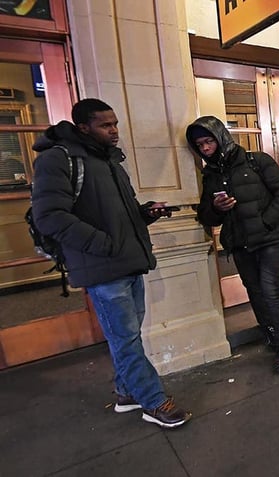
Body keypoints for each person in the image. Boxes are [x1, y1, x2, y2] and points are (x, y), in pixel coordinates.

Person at [31, 98, 191, 428]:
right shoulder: (58, 160)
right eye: (106, 125)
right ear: (83, 127)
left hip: (127, 262)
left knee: (128, 337)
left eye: (115, 123)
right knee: (126, 339)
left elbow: (120, 214)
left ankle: (126, 393)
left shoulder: (109, 161)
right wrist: (103, 244)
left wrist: (145, 213)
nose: (114, 130)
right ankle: (154, 401)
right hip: (103, 268)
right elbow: (49, 217)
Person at [190, 116, 279, 374]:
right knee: (255, 290)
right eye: (200, 145)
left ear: (220, 138)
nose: (205, 149)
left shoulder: (256, 161)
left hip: (270, 238)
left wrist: (266, 222)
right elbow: (206, 215)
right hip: (240, 242)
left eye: (209, 141)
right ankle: (270, 333)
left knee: (270, 289)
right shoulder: (211, 175)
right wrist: (216, 208)